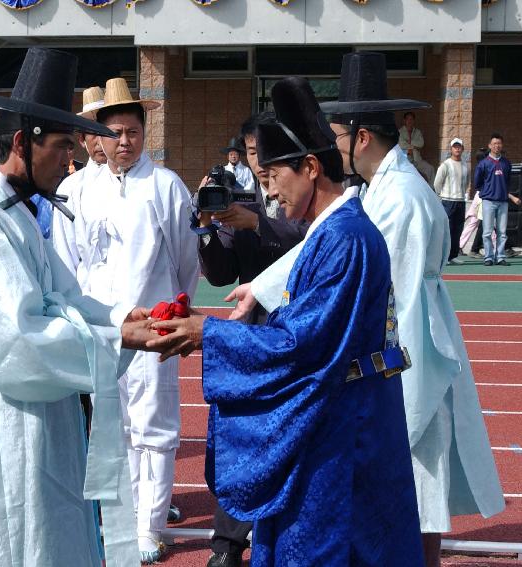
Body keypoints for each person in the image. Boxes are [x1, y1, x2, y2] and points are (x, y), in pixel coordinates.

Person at [148, 76, 424, 567]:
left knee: (332, 548)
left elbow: (301, 343)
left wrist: (207, 333)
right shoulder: (334, 232)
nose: (269, 189)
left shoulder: (345, 238)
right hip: (338, 417)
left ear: (311, 168)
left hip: (345, 435)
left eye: (275, 175)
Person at [0, 47, 162, 567]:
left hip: (43, 420)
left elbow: (67, 297)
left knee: (47, 532)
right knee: (8, 537)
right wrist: (117, 338)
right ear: (20, 143)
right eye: (61, 145)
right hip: (3, 424)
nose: (70, 158)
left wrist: (123, 319)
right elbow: (18, 342)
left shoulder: (21, 215)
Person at [317, 52, 505, 567]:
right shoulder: (380, 191)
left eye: (337, 136)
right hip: (403, 350)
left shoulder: (400, 198)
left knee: (417, 490)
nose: (334, 147)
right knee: (412, 487)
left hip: (408, 355)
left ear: (360, 137)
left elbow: (386, 292)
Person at [67, 77, 199, 563]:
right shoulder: (77, 189)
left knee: (155, 428)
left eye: (134, 132)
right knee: (111, 427)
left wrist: (171, 310)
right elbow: (71, 262)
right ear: (96, 137)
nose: (125, 142)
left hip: (155, 327)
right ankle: (118, 516)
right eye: (115, 132)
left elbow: (187, 262)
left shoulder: (164, 185)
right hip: (102, 332)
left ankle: (151, 525)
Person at [195, 111, 307, 567]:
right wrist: (205, 226)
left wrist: (255, 223)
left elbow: (306, 239)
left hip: (297, 333)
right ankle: (226, 544)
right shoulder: (239, 202)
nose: (261, 163)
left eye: (267, 152)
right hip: (250, 336)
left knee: (289, 440)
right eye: (254, 152)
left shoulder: (303, 201)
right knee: (239, 436)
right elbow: (221, 273)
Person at [51, 85, 108, 283]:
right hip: (88, 295)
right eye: (93, 134)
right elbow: (65, 254)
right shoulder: (70, 187)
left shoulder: (135, 182)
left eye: (106, 133)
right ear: (82, 140)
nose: (100, 142)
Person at [474, 133, 521, 267]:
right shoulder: (483, 163)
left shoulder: (506, 163)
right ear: (489, 146)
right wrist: (487, 191)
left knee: (502, 232)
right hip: (488, 200)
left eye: (499, 143)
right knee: (487, 231)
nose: (497, 146)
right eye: (494, 143)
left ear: (502, 145)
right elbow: (477, 182)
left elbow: (507, 181)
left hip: (503, 202)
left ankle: (500, 256)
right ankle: (488, 257)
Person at [434, 138, 470, 265]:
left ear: (462, 149)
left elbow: (466, 183)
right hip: (447, 202)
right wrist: (441, 196)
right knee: (447, 230)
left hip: (460, 201)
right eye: (455, 147)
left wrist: (461, 195)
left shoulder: (466, 165)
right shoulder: (445, 165)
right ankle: (443, 257)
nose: (457, 149)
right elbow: (437, 183)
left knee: (458, 229)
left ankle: (453, 255)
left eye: (459, 147)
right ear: (451, 149)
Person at [398, 111, 435, 183]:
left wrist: (409, 143)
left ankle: (431, 190)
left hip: (417, 159)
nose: (409, 121)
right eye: (408, 119)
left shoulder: (417, 132)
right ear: (404, 120)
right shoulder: (400, 132)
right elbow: (401, 144)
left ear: (414, 121)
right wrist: (414, 146)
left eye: (411, 119)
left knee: (430, 169)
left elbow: (421, 144)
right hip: (405, 160)